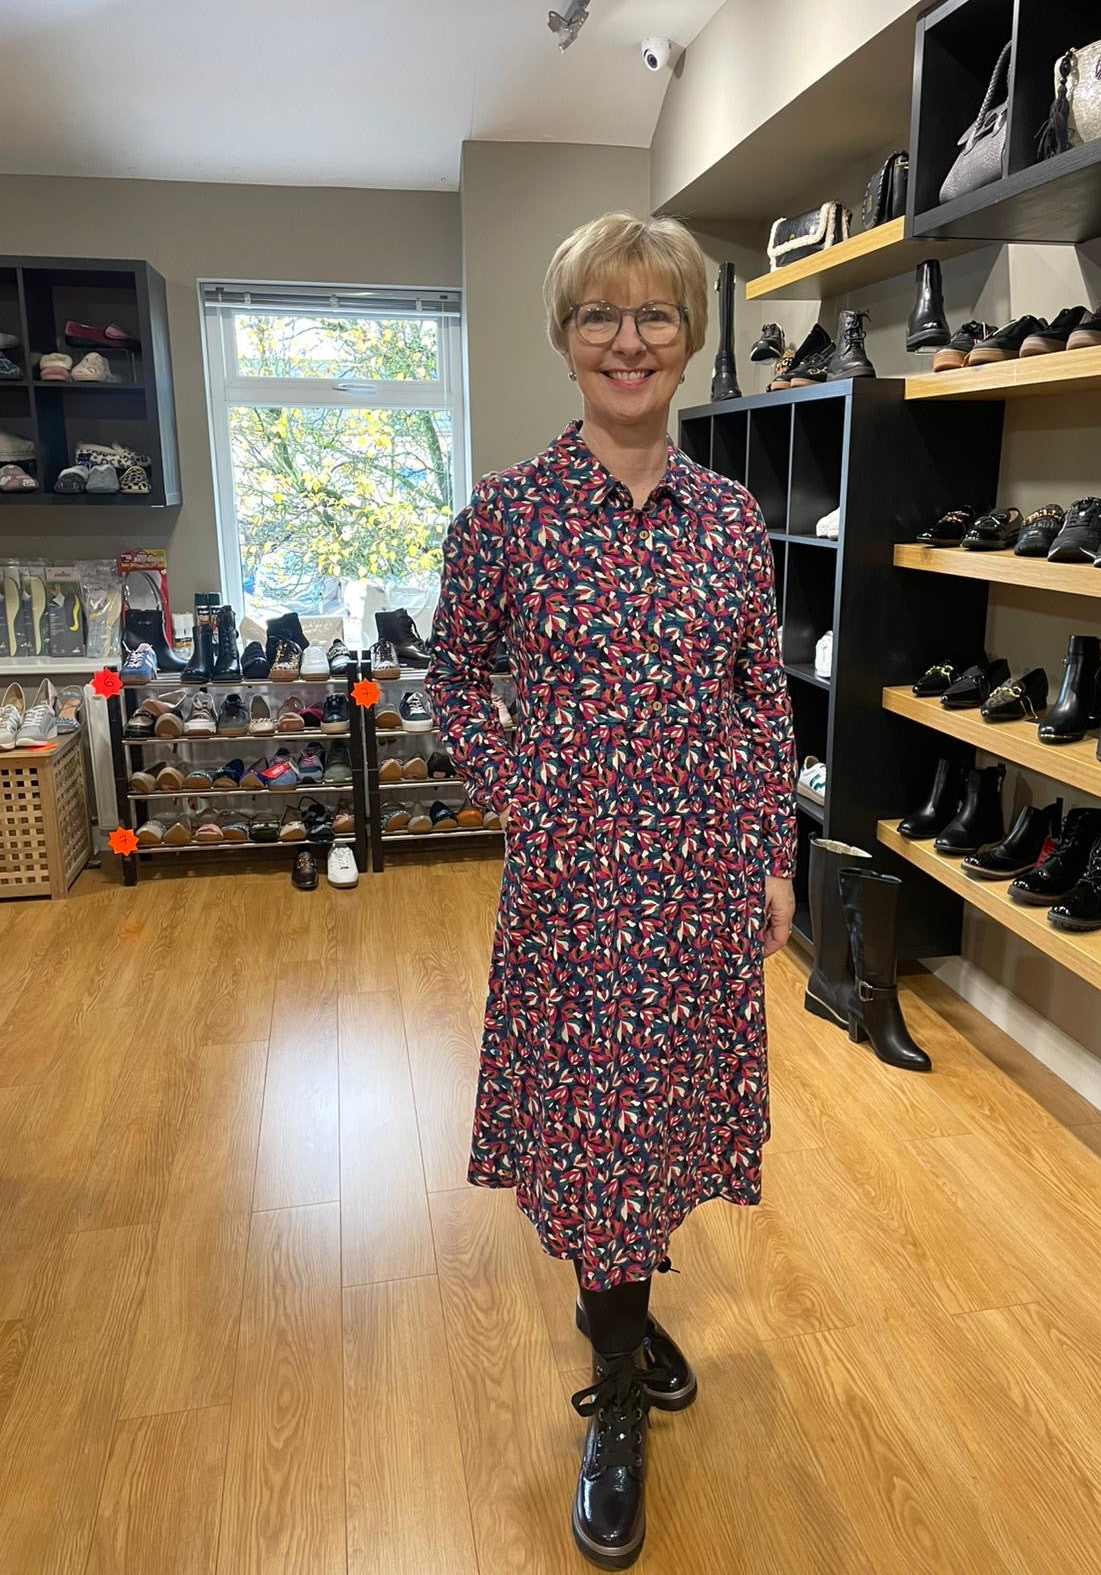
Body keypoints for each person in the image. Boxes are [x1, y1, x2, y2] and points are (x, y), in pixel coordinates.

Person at [424, 212, 799, 1569]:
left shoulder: (731, 520)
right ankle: (618, 1380)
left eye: (654, 315)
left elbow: (763, 699)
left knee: (666, 1117)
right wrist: (524, 789)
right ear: (565, 336)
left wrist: (772, 853)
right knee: (596, 1132)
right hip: (577, 894)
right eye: (600, 315)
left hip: (699, 879)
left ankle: (623, 1316)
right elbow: (450, 679)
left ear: (689, 337)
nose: (627, 340)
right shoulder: (507, 517)